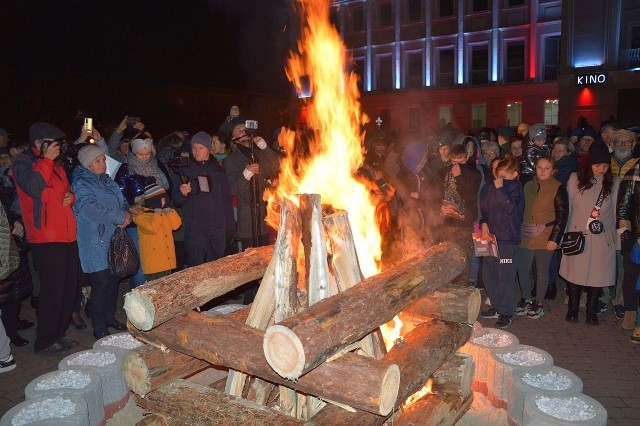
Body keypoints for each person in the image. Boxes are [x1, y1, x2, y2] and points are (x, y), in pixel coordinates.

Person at [12, 122, 79, 355]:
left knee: (68, 289)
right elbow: (32, 186)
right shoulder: (23, 162)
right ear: (40, 143)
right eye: (53, 143)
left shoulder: (57, 166)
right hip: (45, 238)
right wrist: (46, 160)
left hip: (68, 235)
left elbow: (66, 192)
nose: (58, 147)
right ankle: (45, 341)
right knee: (52, 292)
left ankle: (58, 335)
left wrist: (72, 197)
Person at [72, 145, 130, 339]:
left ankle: (109, 317)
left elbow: (121, 200)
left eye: (103, 160)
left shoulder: (106, 180)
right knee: (101, 282)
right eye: (98, 161)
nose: (103, 163)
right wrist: (118, 216)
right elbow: (88, 208)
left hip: (112, 237)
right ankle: (99, 327)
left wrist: (125, 213)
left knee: (114, 278)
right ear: (88, 164)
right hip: (95, 240)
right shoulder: (81, 182)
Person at [561, 142, 616, 325]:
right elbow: (567, 209)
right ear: (590, 163)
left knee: (597, 276)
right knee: (575, 273)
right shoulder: (574, 179)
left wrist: (615, 241)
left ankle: (592, 311)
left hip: (602, 237)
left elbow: (616, 213)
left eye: (605, 165)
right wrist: (563, 235)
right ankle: (573, 309)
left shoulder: (613, 183)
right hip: (578, 235)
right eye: (597, 165)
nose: (601, 169)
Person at [515, 156, 568, 319]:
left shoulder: (558, 188)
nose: (542, 171)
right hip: (526, 235)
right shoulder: (528, 185)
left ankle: (538, 303)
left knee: (541, 271)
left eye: (547, 168)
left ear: (553, 170)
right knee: (523, 269)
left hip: (545, 237)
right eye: (539, 167)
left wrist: (554, 239)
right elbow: (522, 207)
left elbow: (562, 215)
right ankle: (525, 298)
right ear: (535, 168)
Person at [172, 131, 236, 266]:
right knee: (195, 270)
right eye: (194, 148)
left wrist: (230, 226)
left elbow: (226, 199)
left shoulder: (218, 170)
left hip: (217, 230)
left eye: (201, 148)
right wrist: (183, 193)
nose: (196, 151)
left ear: (209, 149)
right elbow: (176, 201)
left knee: (216, 269)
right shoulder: (185, 170)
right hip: (196, 232)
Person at [479, 156, 524, 328]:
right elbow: (485, 209)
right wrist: (483, 223)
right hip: (489, 238)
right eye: (498, 175)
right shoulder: (491, 187)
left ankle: (506, 311)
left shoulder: (515, 187)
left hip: (507, 240)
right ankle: (496, 306)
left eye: (503, 176)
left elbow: (511, 208)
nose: (499, 179)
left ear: (514, 174)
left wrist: (500, 190)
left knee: (505, 276)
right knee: (488, 274)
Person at [225, 121, 280, 250]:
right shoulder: (230, 160)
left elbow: (278, 165)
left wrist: (264, 147)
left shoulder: (259, 154)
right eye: (240, 130)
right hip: (247, 222)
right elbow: (232, 189)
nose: (244, 132)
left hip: (264, 218)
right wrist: (246, 174)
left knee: (265, 258)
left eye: (246, 129)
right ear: (234, 139)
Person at [437, 144, 482, 285]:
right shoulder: (442, 172)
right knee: (446, 258)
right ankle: (447, 288)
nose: (457, 164)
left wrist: (459, 177)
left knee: (463, 258)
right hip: (446, 223)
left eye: (461, 160)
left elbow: (470, 197)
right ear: (450, 159)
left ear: (467, 157)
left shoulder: (474, 173)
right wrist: (439, 206)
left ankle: (462, 290)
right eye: (454, 161)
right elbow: (436, 194)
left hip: (463, 224)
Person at [131, 183, 182, 281]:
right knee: (156, 293)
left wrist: (167, 208)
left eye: (165, 198)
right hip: (154, 264)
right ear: (154, 200)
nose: (164, 200)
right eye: (161, 198)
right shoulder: (141, 216)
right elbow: (153, 228)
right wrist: (157, 210)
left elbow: (176, 225)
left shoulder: (163, 213)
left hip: (167, 261)